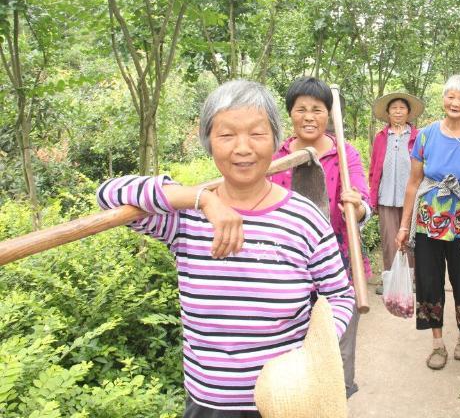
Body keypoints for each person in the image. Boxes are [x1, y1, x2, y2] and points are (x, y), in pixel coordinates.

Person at [96, 80, 355, 417]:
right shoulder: (185, 220)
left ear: (275, 139)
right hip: (211, 402)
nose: (243, 148)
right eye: (227, 135)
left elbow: (339, 295)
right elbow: (108, 195)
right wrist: (202, 199)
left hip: (287, 400)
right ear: (209, 143)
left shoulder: (304, 218)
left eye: (257, 134)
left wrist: (313, 352)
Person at [269, 76, 371, 399]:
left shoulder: (344, 154)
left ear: (328, 114)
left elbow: (363, 202)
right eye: (301, 109)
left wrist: (357, 208)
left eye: (317, 109)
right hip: (286, 270)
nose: (309, 117)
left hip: (338, 266)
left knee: (338, 352)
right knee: (293, 355)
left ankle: (336, 401)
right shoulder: (276, 156)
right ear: (290, 113)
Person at [395, 75, 460, 371]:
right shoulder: (426, 135)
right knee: (429, 282)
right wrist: (404, 226)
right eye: (450, 97)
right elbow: (413, 183)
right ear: (443, 99)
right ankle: (437, 343)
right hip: (427, 220)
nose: (455, 103)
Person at [368, 91, 424, 294]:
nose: (398, 111)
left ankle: (412, 279)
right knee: (389, 240)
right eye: (394, 108)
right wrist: (372, 196)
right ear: (388, 113)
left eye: (402, 108)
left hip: (412, 197)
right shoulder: (381, 137)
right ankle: (390, 280)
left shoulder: (418, 136)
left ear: (408, 112)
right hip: (386, 196)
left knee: (410, 239)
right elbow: (374, 168)